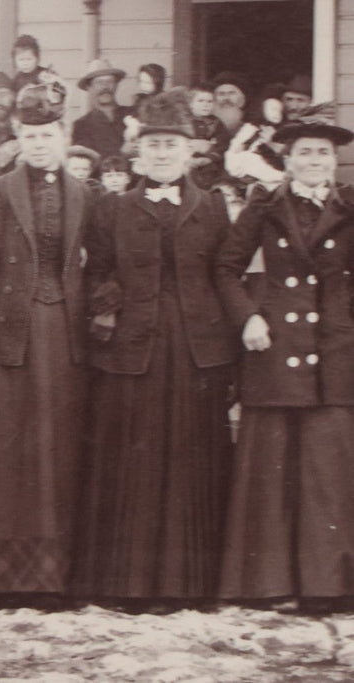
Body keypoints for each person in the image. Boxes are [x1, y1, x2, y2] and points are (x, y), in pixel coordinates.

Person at [75, 91, 238, 606]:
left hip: (196, 351)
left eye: (172, 145)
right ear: (139, 153)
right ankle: (126, 583)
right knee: (132, 461)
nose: (163, 154)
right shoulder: (113, 208)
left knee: (193, 458)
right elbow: (96, 269)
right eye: (154, 146)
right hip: (133, 349)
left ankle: (190, 585)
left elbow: (224, 273)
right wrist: (109, 301)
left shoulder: (211, 206)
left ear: (190, 151)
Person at [216, 104, 354, 612]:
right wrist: (249, 318)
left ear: (334, 160)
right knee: (271, 471)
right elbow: (227, 268)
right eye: (304, 152)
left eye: (323, 152)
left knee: (328, 471)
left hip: (337, 355)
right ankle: (267, 584)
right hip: (274, 349)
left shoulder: (352, 207)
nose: (314, 160)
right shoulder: (264, 205)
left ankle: (329, 587)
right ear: (289, 159)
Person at [0, 81, 94, 604]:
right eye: (31, 134)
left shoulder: (85, 195)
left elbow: (99, 264)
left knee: (58, 450)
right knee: (8, 452)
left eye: (49, 133)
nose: (40, 143)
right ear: (18, 136)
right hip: (14, 336)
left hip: (65, 338)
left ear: (62, 135)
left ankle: (51, 578)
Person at [72, 59, 135, 160]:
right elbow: (86, 165)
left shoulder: (133, 114)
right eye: (99, 82)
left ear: (116, 85)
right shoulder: (81, 126)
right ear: (89, 87)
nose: (105, 87)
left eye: (109, 81)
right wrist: (121, 153)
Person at [226, 87, 287, 190]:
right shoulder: (252, 127)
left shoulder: (282, 130)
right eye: (272, 109)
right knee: (249, 159)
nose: (276, 113)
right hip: (249, 159)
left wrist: (271, 143)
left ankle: (276, 176)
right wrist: (242, 145)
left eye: (279, 110)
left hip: (270, 160)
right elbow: (238, 143)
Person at [188, 83, 233, 188]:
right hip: (187, 160)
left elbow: (224, 145)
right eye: (200, 101)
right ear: (190, 103)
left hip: (208, 162)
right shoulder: (182, 121)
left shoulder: (216, 123)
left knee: (212, 176)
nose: (206, 105)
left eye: (209, 101)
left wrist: (209, 158)